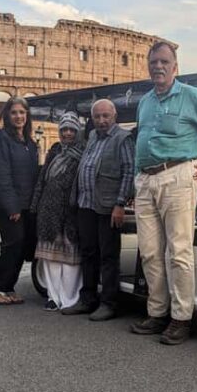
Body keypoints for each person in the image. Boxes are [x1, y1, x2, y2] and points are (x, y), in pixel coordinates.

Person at [130, 42, 197, 344]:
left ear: (175, 67)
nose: (158, 66)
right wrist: (137, 178)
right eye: (154, 61)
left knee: (178, 252)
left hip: (177, 175)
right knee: (150, 252)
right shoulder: (145, 101)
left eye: (164, 62)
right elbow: (142, 139)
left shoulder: (192, 96)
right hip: (146, 178)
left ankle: (181, 318)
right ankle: (156, 312)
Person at [63, 99, 135, 321]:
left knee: (108, 256)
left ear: (114, 116)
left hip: (108, 206)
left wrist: (120, 204)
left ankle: (109, 303)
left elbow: (129, 171)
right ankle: (88, 299)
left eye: (106, 116)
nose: (101, 120)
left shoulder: (123, 138)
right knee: (88, 253)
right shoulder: (93, 136)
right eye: (97, 116)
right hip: (86, 204)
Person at [0, 96, 40, 305]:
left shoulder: (29, 143)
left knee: (23, 245)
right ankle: (0, 287)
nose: (19, 116)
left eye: (22, 112)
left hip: (26, 204)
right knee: (13, 244)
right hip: (9, 205)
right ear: (7, 116)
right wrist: (12, 207)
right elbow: (1, 176)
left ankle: (9, 287)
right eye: (14, 112)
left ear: (27, 115)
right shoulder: (0, 139)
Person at [30, 112, 85, 311]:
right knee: (50, 257)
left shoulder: (84, 152)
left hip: (71, 212)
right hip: (49, 210)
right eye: (64, 130)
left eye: (72, 130)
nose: (67, 133)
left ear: (77, 132)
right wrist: (35, 206)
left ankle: (69, 299)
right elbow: (42, 179)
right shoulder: (54, 150)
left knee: (71, 260)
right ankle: (53, 297)